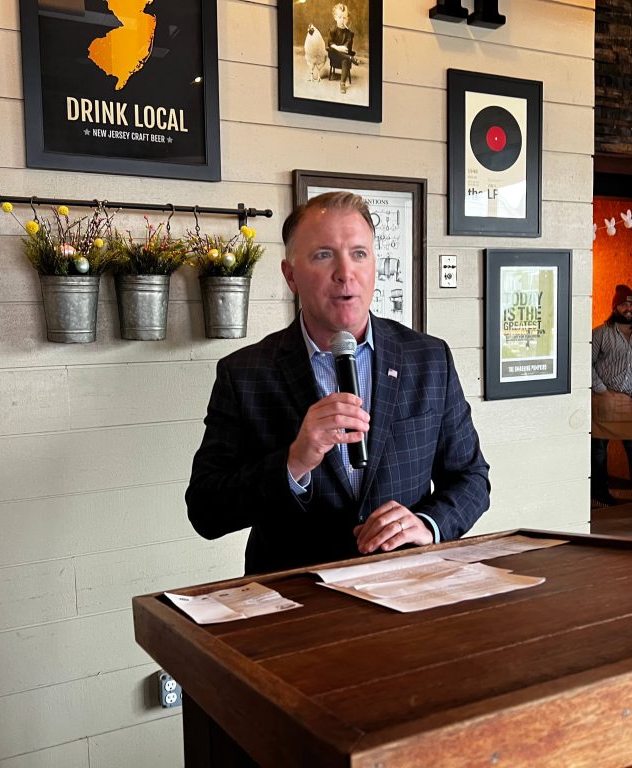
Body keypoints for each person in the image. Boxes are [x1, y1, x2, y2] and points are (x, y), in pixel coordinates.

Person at [186, 192, 490, 574]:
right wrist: (294, 461)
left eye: (359, 253)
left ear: (374, 266)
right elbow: (206, 510)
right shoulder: (244, 374)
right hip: (296, 602)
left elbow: (471, 478)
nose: (345, 272)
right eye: (323, 255)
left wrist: (428, 525)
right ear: (290, 275)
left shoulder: (428, 359)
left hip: (407, 586)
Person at [590, 285, 632, 512]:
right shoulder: (600, 333)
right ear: (615, 307)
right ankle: (600, 492)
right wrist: (602, 391)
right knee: (598, 450)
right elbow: (586, 363)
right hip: (603, 398)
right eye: (624, 304)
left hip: (631, 400)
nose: (629, 308)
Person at [326, 3, 355, 94]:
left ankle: (342, 83)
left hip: (343, 57)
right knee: (332, 49)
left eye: (345, 18)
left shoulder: (348, 33)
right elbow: (330, 43)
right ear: (335, 17)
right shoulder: (332, 30)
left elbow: (346, 48)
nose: (342, 20)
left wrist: (342, 49)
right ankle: (351, 58)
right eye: (339, 17)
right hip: (334, 55)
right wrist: (338, 48)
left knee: (346, 59)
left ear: (348, 18)